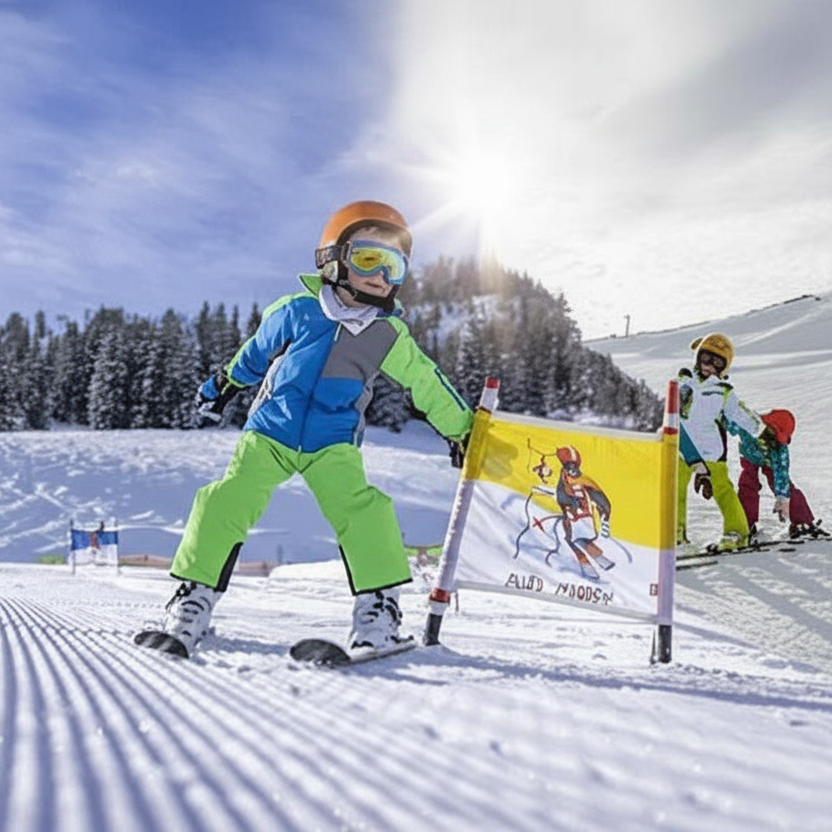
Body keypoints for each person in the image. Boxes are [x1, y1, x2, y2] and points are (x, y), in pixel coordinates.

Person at [143, 200, 473, 657]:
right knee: (225, 500)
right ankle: (192, 601)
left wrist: (463, 429)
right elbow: (255, 354)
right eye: (367, 258)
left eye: (393, 265)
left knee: (364, 511)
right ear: (333, 257)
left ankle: (378, 614)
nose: (380, 275)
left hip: (332, 442)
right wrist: (224, 383)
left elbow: (426, 382)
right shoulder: (296, 310)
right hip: (269, 433)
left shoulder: (387, 334)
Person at [676, 332, 763, 550]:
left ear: (723, 368)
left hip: (710, 451)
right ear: (698, 358)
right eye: (705, 359)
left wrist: (761, 430)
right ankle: (675, 531)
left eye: (717, 363)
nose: (709, 366)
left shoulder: (723, 392)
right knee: (674, 489)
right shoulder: (683, 381)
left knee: (722, 489)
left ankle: (737, 532)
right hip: (681, 449)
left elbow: (740, 413)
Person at [734, 409, 826, 540]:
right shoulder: (749, 423)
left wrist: (783, 498)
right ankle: (745, 524)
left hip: (770, 460)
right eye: (772, 433)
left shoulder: (779, 448)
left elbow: (781, 474)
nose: (773, 439)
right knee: (747, 486)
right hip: (749, 456)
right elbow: (729, 420)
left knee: (785, 486)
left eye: (778, 438)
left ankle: (803, 522)